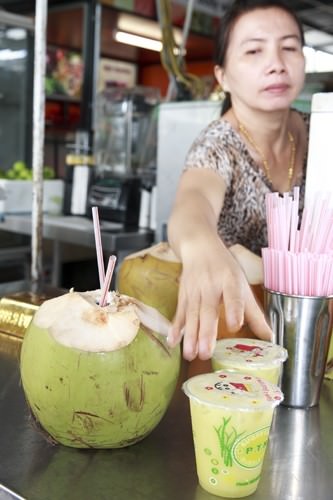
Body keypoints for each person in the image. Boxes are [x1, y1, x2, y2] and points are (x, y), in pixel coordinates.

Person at [167, 0, 308, 361]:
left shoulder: (319, 132)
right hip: (233, 344)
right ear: (223, 76)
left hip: (310, 335)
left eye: (289, 47)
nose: (276, 63)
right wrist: (200, 244)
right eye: (254, 50)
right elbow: (192, 204)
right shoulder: (218, 145)